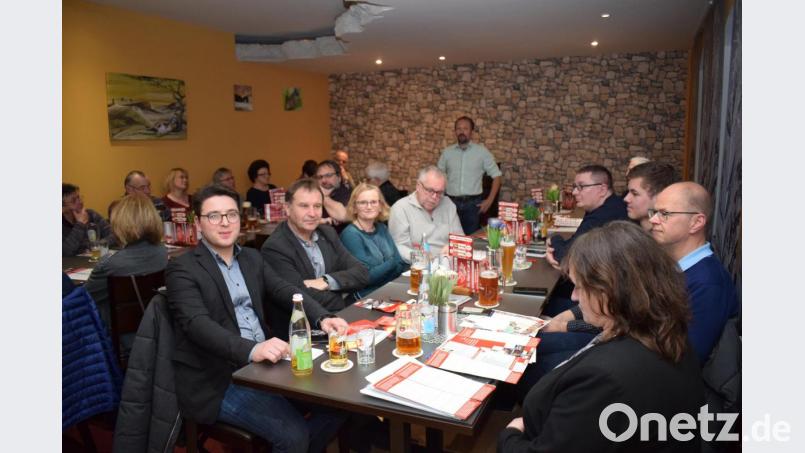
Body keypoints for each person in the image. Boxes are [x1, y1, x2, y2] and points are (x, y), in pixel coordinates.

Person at [166, 184, 347, 452]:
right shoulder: (182, 268)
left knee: (339, 405)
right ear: (198, 223)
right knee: (293, 436)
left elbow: (284, 290)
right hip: (217, 377)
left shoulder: (252, 258)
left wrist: (322, 317)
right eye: (214, 216)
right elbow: (197, 325)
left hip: (266, 366)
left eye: (231, 214)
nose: (225, 222)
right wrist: (253, 349)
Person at [499, 221, 705, 452]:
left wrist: (510, 435)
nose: (574, 297)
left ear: (608, 291)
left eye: (579, 287)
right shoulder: (666, 332)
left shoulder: (604, 380)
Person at [650, 182, 738, 364]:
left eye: (664, 214)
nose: (653, 220)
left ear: (696, 222)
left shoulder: (708, 283)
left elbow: (687, 359)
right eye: (655, 212)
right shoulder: (673, 267)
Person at [261, 178, 369, 316]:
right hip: (303, 324)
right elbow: (298, 298)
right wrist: (344, 297)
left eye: (317, 206)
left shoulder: (327, 233)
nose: (312, 213)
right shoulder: (275, 247)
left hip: (338, 316)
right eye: (304, 206)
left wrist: (326, 281)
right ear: (287, 208)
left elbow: (362, 272)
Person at [543, 164, 628, 316]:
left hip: (605, 306)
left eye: (581, 187)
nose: (574, 192)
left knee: (541, 302)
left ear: (602, 189)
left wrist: (554, 238)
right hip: (602, 293)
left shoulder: (604, 215)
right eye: (575, 187)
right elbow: (574, 246)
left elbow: (567, 256)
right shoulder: (607, 207)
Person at [85, 193, 168, 329]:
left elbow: (85, 299)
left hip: (117, 333)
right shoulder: (162, 251)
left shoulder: (109, 264)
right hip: (158, 326)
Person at [340, 183, 408, 298]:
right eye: (363, 202)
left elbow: (400, 263)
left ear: (380, 206)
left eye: (373, 202)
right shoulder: (351, 235)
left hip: (389, 289)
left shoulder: (382, 228)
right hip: (366, 297)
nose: (369, 207)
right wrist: (392, 262)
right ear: (354, 208)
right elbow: (367, 278)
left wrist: (388, 267)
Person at [437, 116, 502, 234]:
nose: (462, 131)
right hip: (450, 204)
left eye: (465, 128)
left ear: (471, 132)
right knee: (449, 238)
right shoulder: (447, 153)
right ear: (455, 131)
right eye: (459, 128)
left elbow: (497, 176)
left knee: (470, 240)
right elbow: (437, 176)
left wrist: (489, 200)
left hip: (473, 206)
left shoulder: (482, 152)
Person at [388, 166, 464, 263]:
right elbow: (399, 247)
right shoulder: (400, 208)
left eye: (439, 192)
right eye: (430, 191)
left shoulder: (448, 204)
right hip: (417, 265)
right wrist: (423, 258)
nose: (434, 197)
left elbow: (460, 238)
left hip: (447, 263)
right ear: (418, 186)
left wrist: (453, 247)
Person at [624, 161, 679, 231]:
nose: (626, 198)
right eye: (628, 192)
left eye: (635, 194)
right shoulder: (626, 231)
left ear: (660, 196)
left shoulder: (674, 235)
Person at [63, 183, 113, 257]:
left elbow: (114, 235)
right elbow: (65, 251)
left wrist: (95, 245)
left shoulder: (91, 214)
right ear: (63, 208)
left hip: (96, 259)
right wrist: (80, 225)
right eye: (73, 201)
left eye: (79, 197)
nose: (80, 202)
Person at [315, 160, 351, 228]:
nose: (323, 180)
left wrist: (323, 196)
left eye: (328, 175)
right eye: (320, 177)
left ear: (339, 178)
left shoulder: (346, 192)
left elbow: (343, 216)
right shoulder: (313, 193)